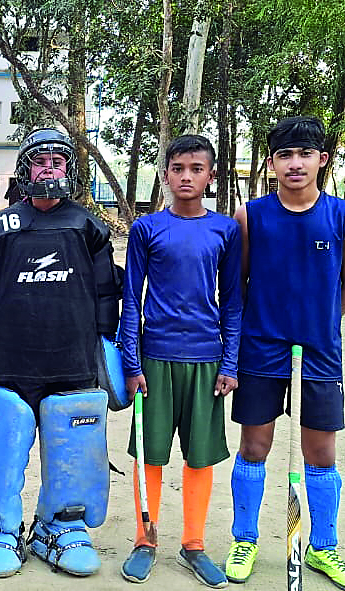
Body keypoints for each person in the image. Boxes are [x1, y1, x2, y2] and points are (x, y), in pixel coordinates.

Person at [0, 128, 120, 578]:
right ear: (25, 170)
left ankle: (60, 526)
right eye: (40, 160)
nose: (50, 167)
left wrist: (110, 353)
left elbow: (107, 298)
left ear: (70, 169)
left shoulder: (89, 227)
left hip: (73, 362)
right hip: (8, 361)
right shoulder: (1, 229)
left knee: (74, 442)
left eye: (58, 160)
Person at [223, 116, 345, 591]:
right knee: (254, 446)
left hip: (320, 352)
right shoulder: (251, 216)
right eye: (285, 155)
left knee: (321, 453)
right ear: (272, 163)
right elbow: (237, 286)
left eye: (305, 154)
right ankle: (244, 539)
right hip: (261, 350)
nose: (295, 163)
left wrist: (318, 323)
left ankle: (324, 547)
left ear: (322, 159)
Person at [117, 135, 241, 588]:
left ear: (210, 176)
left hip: (207, 360)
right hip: (155, 359)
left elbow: (232, 302)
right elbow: (131, 300)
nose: (186, 177)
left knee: (200, 458)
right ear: (166, 174)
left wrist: (230, 362)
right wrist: (132, 364)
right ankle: (145, 541)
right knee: (150, 456)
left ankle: (193, 544)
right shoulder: (147, 229)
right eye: (177, 168)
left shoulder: (226, 230)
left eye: (196, 168)